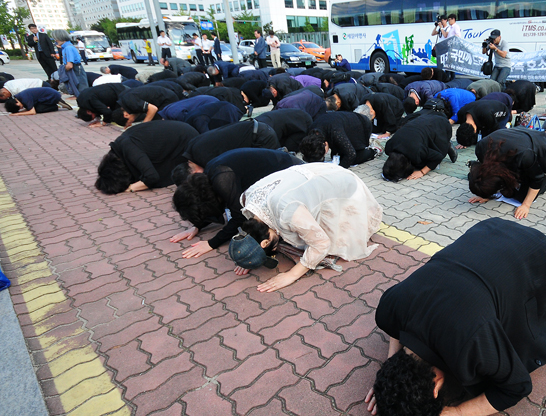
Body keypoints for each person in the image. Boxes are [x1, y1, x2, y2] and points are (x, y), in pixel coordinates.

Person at [367, 218, 546, 416]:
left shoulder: (472, 341)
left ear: (436, 387)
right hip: (490, 228)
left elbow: (516, 386)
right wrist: (389, 386)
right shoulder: (389, 307)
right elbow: (394, 329)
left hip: (539, 252)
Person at [234, 163, 383, 292]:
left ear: (265, 243)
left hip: (342, 182)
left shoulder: (287, 213)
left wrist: (291, 275)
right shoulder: (248, 199)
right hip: (317, 172)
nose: (275, 250)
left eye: (270, 250)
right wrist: (248, 254)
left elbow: (321, 243)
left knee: (335, 236)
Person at [171, 148, 303, 263]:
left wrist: (212, 243)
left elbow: (240, 217)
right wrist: (198, 226)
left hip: (294, 170)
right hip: (283, 168)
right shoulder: (209, 177)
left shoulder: (223, 179)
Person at [468, 128, 546, 219]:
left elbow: (537, 179)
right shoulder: (481, 149)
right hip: (522, 139)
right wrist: (486, 195)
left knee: (522, 197)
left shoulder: (524, 155)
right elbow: (485, 178)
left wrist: (526, 205)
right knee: (510, 191)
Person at [95, 121, 198, 194]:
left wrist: (131, 188)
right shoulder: (119, 147)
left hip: (186, 139)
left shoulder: (130, 150)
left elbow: (151, 177)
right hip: (180, 131)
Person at [382, 113, 457, 182]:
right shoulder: (389, 148)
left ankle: (447, 144)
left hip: (441, 125)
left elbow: (438, 157)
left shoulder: (416, 151)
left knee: (422, 162)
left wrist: (422, 172)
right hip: (425, 119)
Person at [299, 110, 379, 168]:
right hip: (341, 123)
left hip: (361, 124)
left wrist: (339, 169)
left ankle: (374, 150)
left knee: (353, 157)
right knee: (336, 155)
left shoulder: (335, 132)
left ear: (325, 143)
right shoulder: (310, 133)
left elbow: (351, 154)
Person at [117, 84, 181, 126]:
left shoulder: (130, 102)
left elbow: (153, 109)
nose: (131, 123)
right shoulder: (124, 101)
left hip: (167, 98)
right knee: (152, 120)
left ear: (126, 115)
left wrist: (143, 125)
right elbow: (138, 110)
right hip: (161, 96)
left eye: (129, 122)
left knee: (155, 123)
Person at [52, 30, 89, 96]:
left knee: (81, 90)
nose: (55, 41)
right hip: (76, 69)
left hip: (76, 69)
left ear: (60, 38)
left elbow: (69, 65)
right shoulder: (67, 47)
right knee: (80, 89)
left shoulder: (68, 48)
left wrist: (62, 70)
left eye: (56, 39)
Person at [4, 87, 72, 115]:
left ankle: (55, 105)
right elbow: (28, 109)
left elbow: (32, 112)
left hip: (52, 95)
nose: (21, 108)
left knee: (39, 109)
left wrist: (18, 114)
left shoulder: (24, 98)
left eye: (19, 108)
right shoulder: (19, 97)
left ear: (17, 103)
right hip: (47, 95)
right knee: (35, 107)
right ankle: (55, 104)